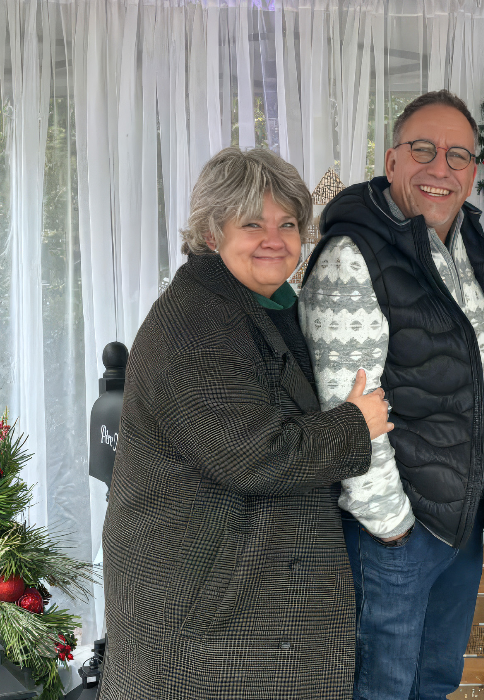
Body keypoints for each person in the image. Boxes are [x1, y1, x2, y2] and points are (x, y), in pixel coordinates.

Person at [100, 147, 391, 700]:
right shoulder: (197, 323)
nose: (274, 239)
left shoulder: (257, 303)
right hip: (203, 610)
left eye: (288, 224)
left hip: (234, 598)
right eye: (253, 224)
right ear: (213, 233)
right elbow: (254, 454)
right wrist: (356, 424)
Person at [299, 90, 484, 700]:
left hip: (456, 525)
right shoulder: (352, 256)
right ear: (391, 161)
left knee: (434, 684)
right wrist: (392, 529)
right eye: (423, 149)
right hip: (395, 530)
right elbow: (345, 409)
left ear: (473, 171)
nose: (441, 168)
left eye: (458, 155)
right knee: (381, 689)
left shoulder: (467, 240)